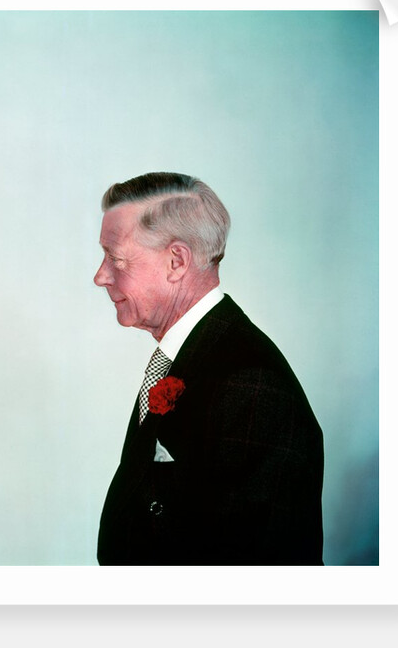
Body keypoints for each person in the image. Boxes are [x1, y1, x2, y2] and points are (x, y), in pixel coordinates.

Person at [93, 172, 324, 565]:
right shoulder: (192, 355)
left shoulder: (252, 386)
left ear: (176, 261)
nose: (100, 276)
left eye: (116, 258)